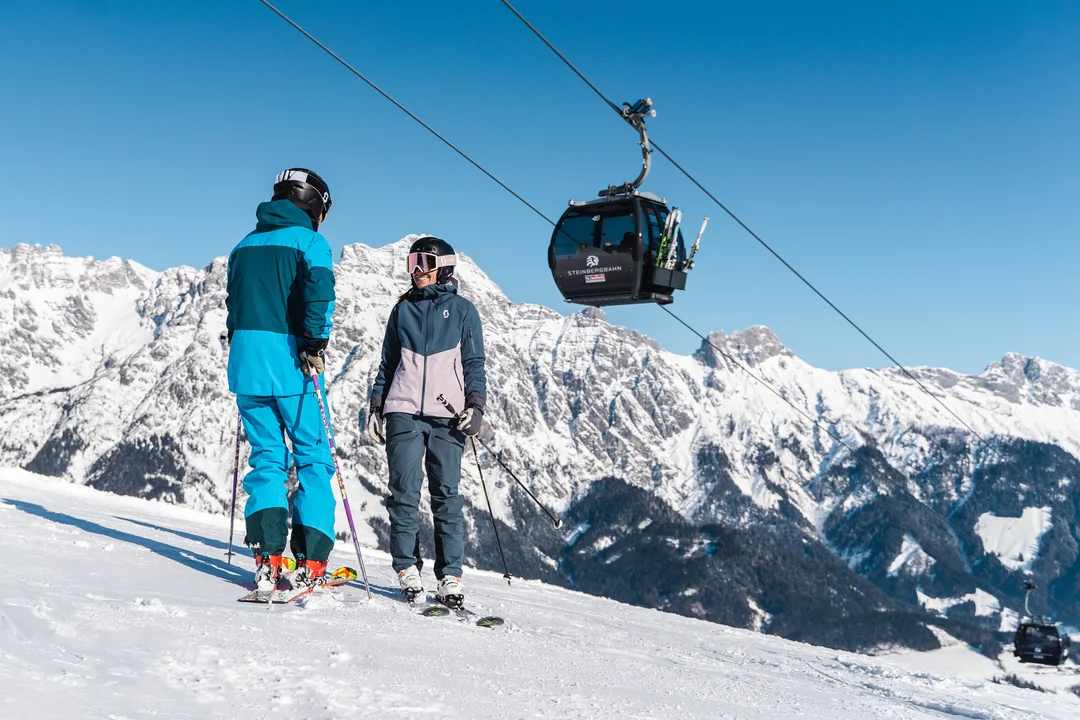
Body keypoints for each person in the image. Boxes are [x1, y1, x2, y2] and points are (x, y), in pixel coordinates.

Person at [225, 168, 337, 592]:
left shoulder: (243, 246)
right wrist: (314, 343)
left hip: (246, 366)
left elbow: (233, 307)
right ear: (313, 204)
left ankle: (267, 557)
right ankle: (312, 560)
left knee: (267, 458)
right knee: (313, 457)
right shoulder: (310, 242)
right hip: (292, 364)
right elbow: (320, 294)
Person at [367, 237, 486, 607]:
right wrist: (377, 405)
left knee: (446, 496)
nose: (417, 270)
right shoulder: (401, 311)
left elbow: (474, 364)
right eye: (412, 262)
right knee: (403, 492)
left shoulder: (464, 311)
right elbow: (387, 364)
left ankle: (450, 575)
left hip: (448, 414)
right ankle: (407, 568)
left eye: (425, 261)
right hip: (402, 409)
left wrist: (475, 406)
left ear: (444, 266)